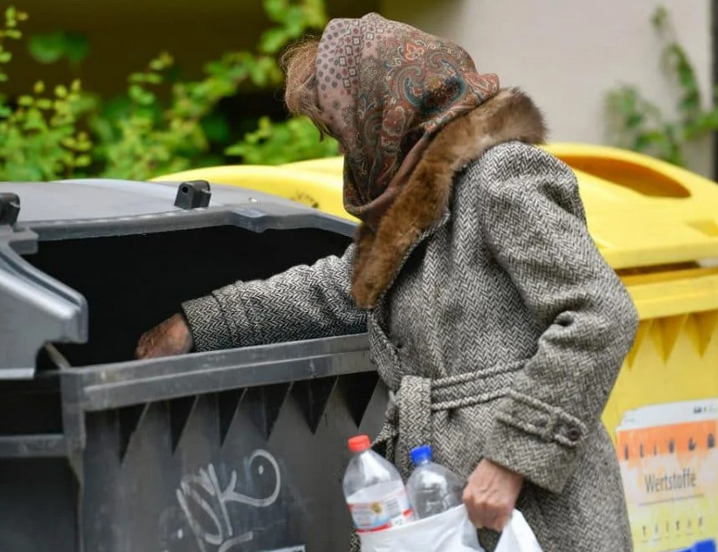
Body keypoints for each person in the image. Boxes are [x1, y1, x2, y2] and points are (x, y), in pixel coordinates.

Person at [136, 13, 639, 552]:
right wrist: (200, 322)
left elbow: (600, 313)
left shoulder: (501, 176)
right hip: (448, 505)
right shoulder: (418, 202)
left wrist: (513, 459)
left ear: (385, 109)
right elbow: (335, 290)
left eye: (342, 128)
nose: (343, 150)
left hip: (533, 507)